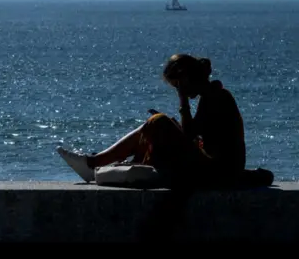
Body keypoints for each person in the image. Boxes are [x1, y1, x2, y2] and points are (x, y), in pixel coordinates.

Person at [56, 53, 256, 188]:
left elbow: (191, 136)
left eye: (177, 86)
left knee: (159, 121)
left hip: (218, 174)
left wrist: (182, 102)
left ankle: (94, 163)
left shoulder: (217, 97)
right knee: (158, 123)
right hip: (215, 169)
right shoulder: (211, 96)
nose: (177, 90)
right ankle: (95, 163)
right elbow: (197, 135)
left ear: (185, 79)